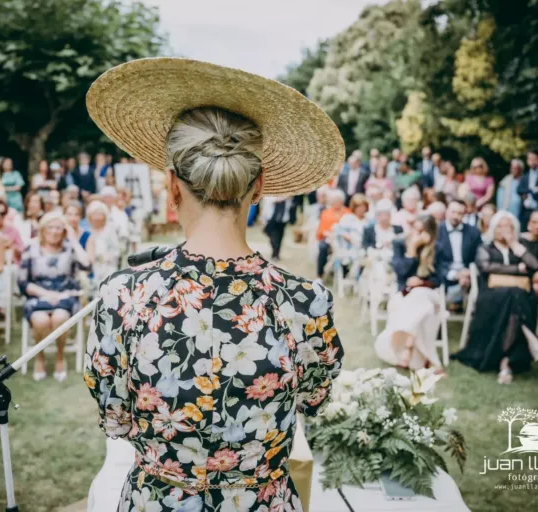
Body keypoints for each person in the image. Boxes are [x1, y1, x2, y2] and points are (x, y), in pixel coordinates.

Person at [83, 59, 345, 511]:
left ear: (172, 186)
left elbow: (117, 419)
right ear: (259, 186)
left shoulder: (122, 295)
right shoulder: (306, 302)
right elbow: (315, 402)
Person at [453, 211, 538, 383]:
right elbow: (486, 267)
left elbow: (535, 265)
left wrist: (513, 243)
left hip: (515, 298)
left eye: (508, 226)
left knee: (514, 296)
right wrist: (517, 269)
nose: (503, 230)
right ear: (493, 228)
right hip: (491, 296)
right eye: (500, 226)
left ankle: (505, 361)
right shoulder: (485, 247)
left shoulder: (518, 248)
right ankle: (529, 341)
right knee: (514, 294)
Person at [18, 212, 90, 381]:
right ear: (43, 230)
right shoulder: (31, 248)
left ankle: (59, 356)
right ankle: (40, 357)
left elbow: (86, 266)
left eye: (59, 227)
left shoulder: (69, 247)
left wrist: (73, 240)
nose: (54, 231)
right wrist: (46, 294)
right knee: (41, 320)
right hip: (38, 295)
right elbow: (22, 282)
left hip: (65, 296)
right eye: (50, 227)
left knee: (60, 318)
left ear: (64, 230)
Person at [375, 214, 446, 371]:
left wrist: (421, 282)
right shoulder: (400, 243)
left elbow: (439, 279)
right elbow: (401, 272)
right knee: (423, 309)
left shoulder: (437, 248)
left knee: (421, 298)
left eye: (422, 232)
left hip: (427, 292)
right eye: (416, 230)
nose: (418, 235)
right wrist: (412, 250)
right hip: (405, 293)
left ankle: (408, 348)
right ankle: (421, 353)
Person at [437, 199, 482, 309]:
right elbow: (435, 261)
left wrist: (469, 273)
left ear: (465, 214)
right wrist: (454, 275)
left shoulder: (473, 232)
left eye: (460, 213)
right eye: (453, 212)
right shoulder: (437, 231)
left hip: (468, 274)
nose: (456, 216)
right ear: (447, 212)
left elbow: (479, 256)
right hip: (444, 275)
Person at [84, 200, 123, 285]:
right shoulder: (86, 232)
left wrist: (102, 257)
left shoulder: (110, 230)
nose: (97, 217)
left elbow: (116, 251)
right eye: (94, 214)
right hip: (90, 268)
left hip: (107, 267)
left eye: (100, 214)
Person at [316, 189, 350, 279]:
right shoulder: (326, 212)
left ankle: (344, 273)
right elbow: (321, 230)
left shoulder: (347, 212)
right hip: (328, 238)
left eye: (337, 201)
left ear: (341, 201)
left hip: (343, 239)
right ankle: (320, 275)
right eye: (333, 201)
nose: (335, 203)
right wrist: (327, 233)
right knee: (322, 247)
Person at [0, 197, 25, 263]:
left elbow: (22, 252)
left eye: (2, 213)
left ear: (6, 213)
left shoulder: (13, 230)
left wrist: (12, 246)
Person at [261, 196, 296, 261]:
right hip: (271, 219)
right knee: (273, 238)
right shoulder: (269, 196)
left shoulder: (288, 197)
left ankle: (276, 254)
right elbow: (270, 203)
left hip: (283, 220)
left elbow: (290, 206)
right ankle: (275, 253)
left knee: (280, 238)